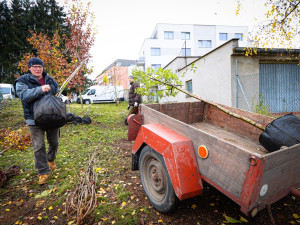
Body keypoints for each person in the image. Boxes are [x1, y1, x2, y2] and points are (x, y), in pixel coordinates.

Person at [15, 57, 59, 185]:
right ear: (29, 68)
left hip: (51, 117)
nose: (38, 69)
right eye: (34, 67)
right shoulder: (22, 80)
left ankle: (51, 160)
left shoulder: (50, 79)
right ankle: (43, 172)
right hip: (33, 118)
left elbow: (56, 91)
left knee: (54, 142)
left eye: (40, 66)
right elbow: (23, 95)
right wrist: (41, 89)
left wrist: (54, 92)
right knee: (39, 146)